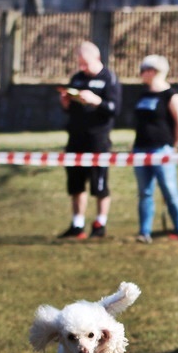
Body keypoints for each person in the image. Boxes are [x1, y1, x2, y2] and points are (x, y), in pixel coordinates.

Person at [57, 40, 121, 239]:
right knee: (76, 184)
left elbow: (114, 109)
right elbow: (69, 110)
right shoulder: (76, 78)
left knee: (99, 184)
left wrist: (96, 101)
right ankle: (77, 224)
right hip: (76, 138)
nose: (82, 68)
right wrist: (66, 102)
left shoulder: (109, 78)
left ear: (97, 58)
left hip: (98, 140)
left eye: (85, 63)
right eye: (80, 63)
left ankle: (100, 223)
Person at [132, 54, 178, 243]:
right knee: (145, 192)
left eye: (144, 70)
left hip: (162, 151)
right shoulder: (143, 94)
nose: (141, 74)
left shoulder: (172, 95)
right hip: (140, 150)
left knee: (170, 190)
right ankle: (144, 232)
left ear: (154, 71)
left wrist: (172, 146)